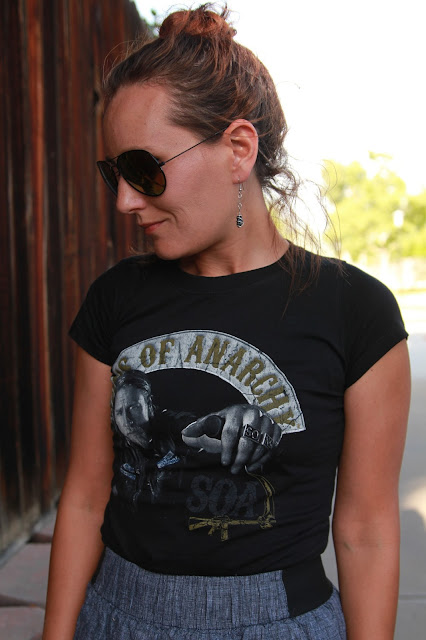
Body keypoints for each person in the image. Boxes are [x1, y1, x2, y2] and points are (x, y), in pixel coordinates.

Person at [42, 4, 410, 639]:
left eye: (143, 169)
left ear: (238, 150)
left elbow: (366, 531)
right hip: (115, 619)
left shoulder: (357, 312)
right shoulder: (115, 300)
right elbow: (83, 498)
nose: (125, 200)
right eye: (114, 173)